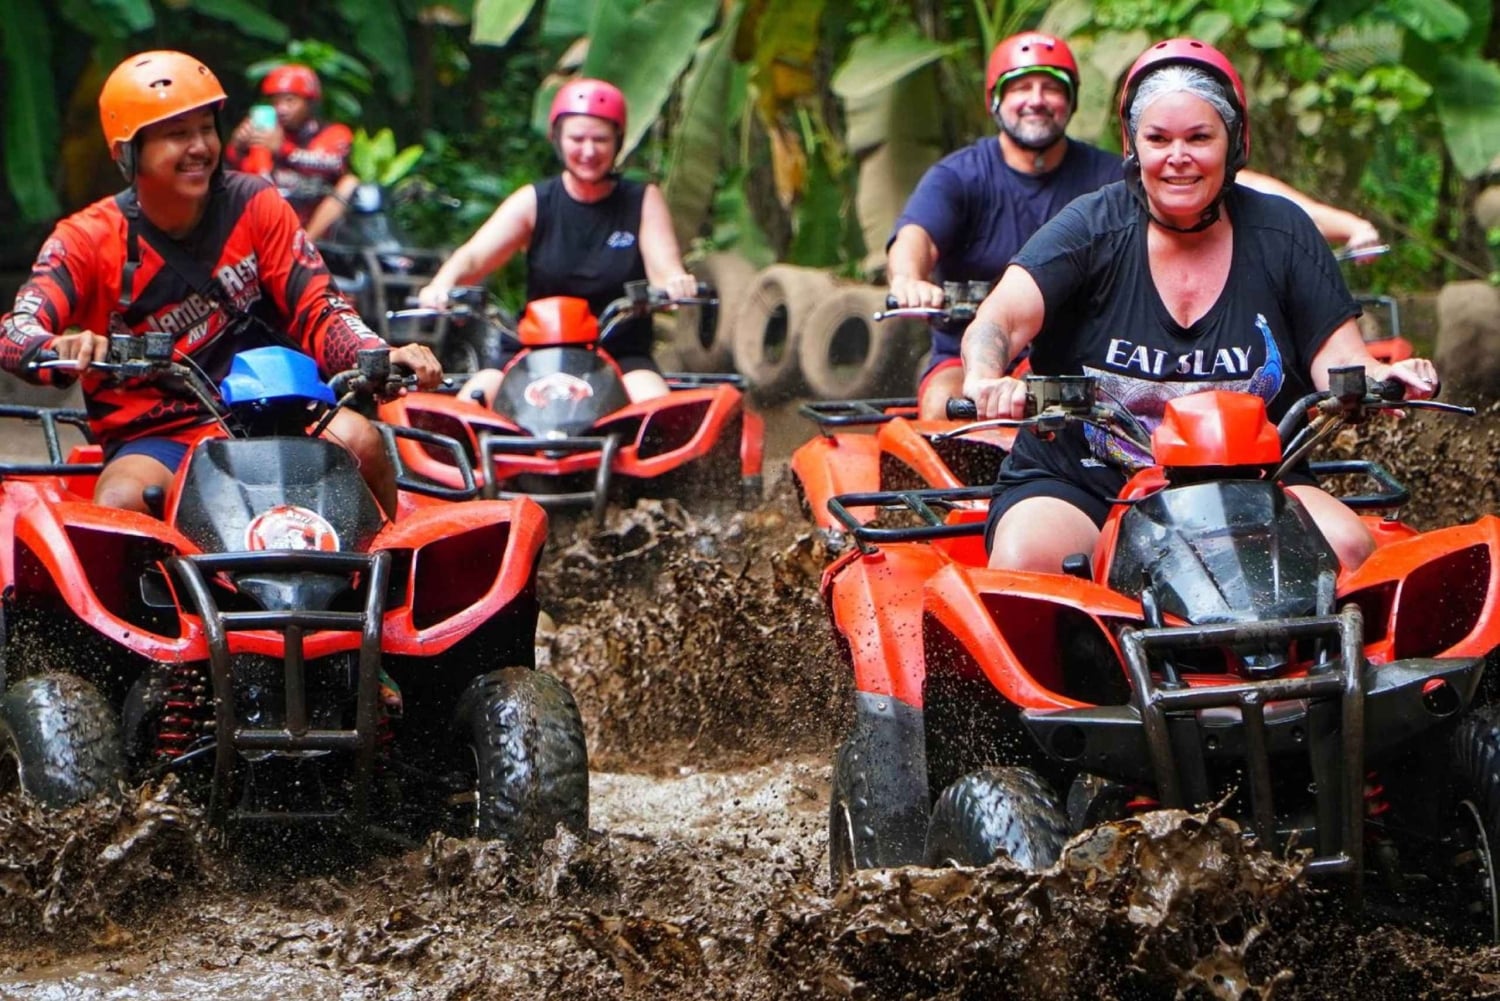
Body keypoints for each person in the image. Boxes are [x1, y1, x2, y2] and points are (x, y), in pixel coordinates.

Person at [959, 38, 1438, 577]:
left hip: (1254, 480)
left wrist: (1384, 378)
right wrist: (983, 377)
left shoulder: (1282, 234)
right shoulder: (1090, 228)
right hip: (1087, 481)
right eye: (1158, 139)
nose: (1177, 157)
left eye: (1199, 137)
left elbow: (1341, 363)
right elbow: (997, 320)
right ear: (1133, 145)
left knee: (1349, 547)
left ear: (1234, 143)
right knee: (1028, 559)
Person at [0, 50, 441, 517]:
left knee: (363, 440)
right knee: (119, 501)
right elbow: (15, 331)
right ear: (126, 153)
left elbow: (319, 306)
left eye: (206, 129)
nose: (199, 148)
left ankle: (388, 583)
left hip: (277, 414)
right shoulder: (85, 238)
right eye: (176, 134)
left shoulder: (256, 202)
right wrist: (61, 350)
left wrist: (377, 353)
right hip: (162, 436)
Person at [890, 31, 1384, 421]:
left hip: (1091, 374)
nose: (1036, 100)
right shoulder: (961, 177)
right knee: (950, 408)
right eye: (1021, 87)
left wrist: (1347, 225)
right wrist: (909, 283)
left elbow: (1249, 189)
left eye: (1051, 87)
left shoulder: (1124, 173)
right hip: (991, 361)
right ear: (995, 101)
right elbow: (917, 238)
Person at [416, 78, 697, 405]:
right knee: (471, 403)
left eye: (601, 139)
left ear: (619, 142)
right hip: (534, 349)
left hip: (619, 352)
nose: (589, 151)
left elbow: (665, 267)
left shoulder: (642, 200)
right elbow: (475, 257)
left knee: (656, 410)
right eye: (578, 138)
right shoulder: (536, 201)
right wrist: (442, 284)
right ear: (558, 139)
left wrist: (676, 284)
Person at [224, 63, 358, 242]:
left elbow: (333, 164)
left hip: (312, 217)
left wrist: (283, 150)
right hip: (267, 212)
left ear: (309, 102)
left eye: (290, 101)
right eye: (276, 101)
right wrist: (237, 147)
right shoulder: (267, 132)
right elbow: (237, 172)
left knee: (349, 183)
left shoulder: (334, 133)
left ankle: (304, 248)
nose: (281, 109)